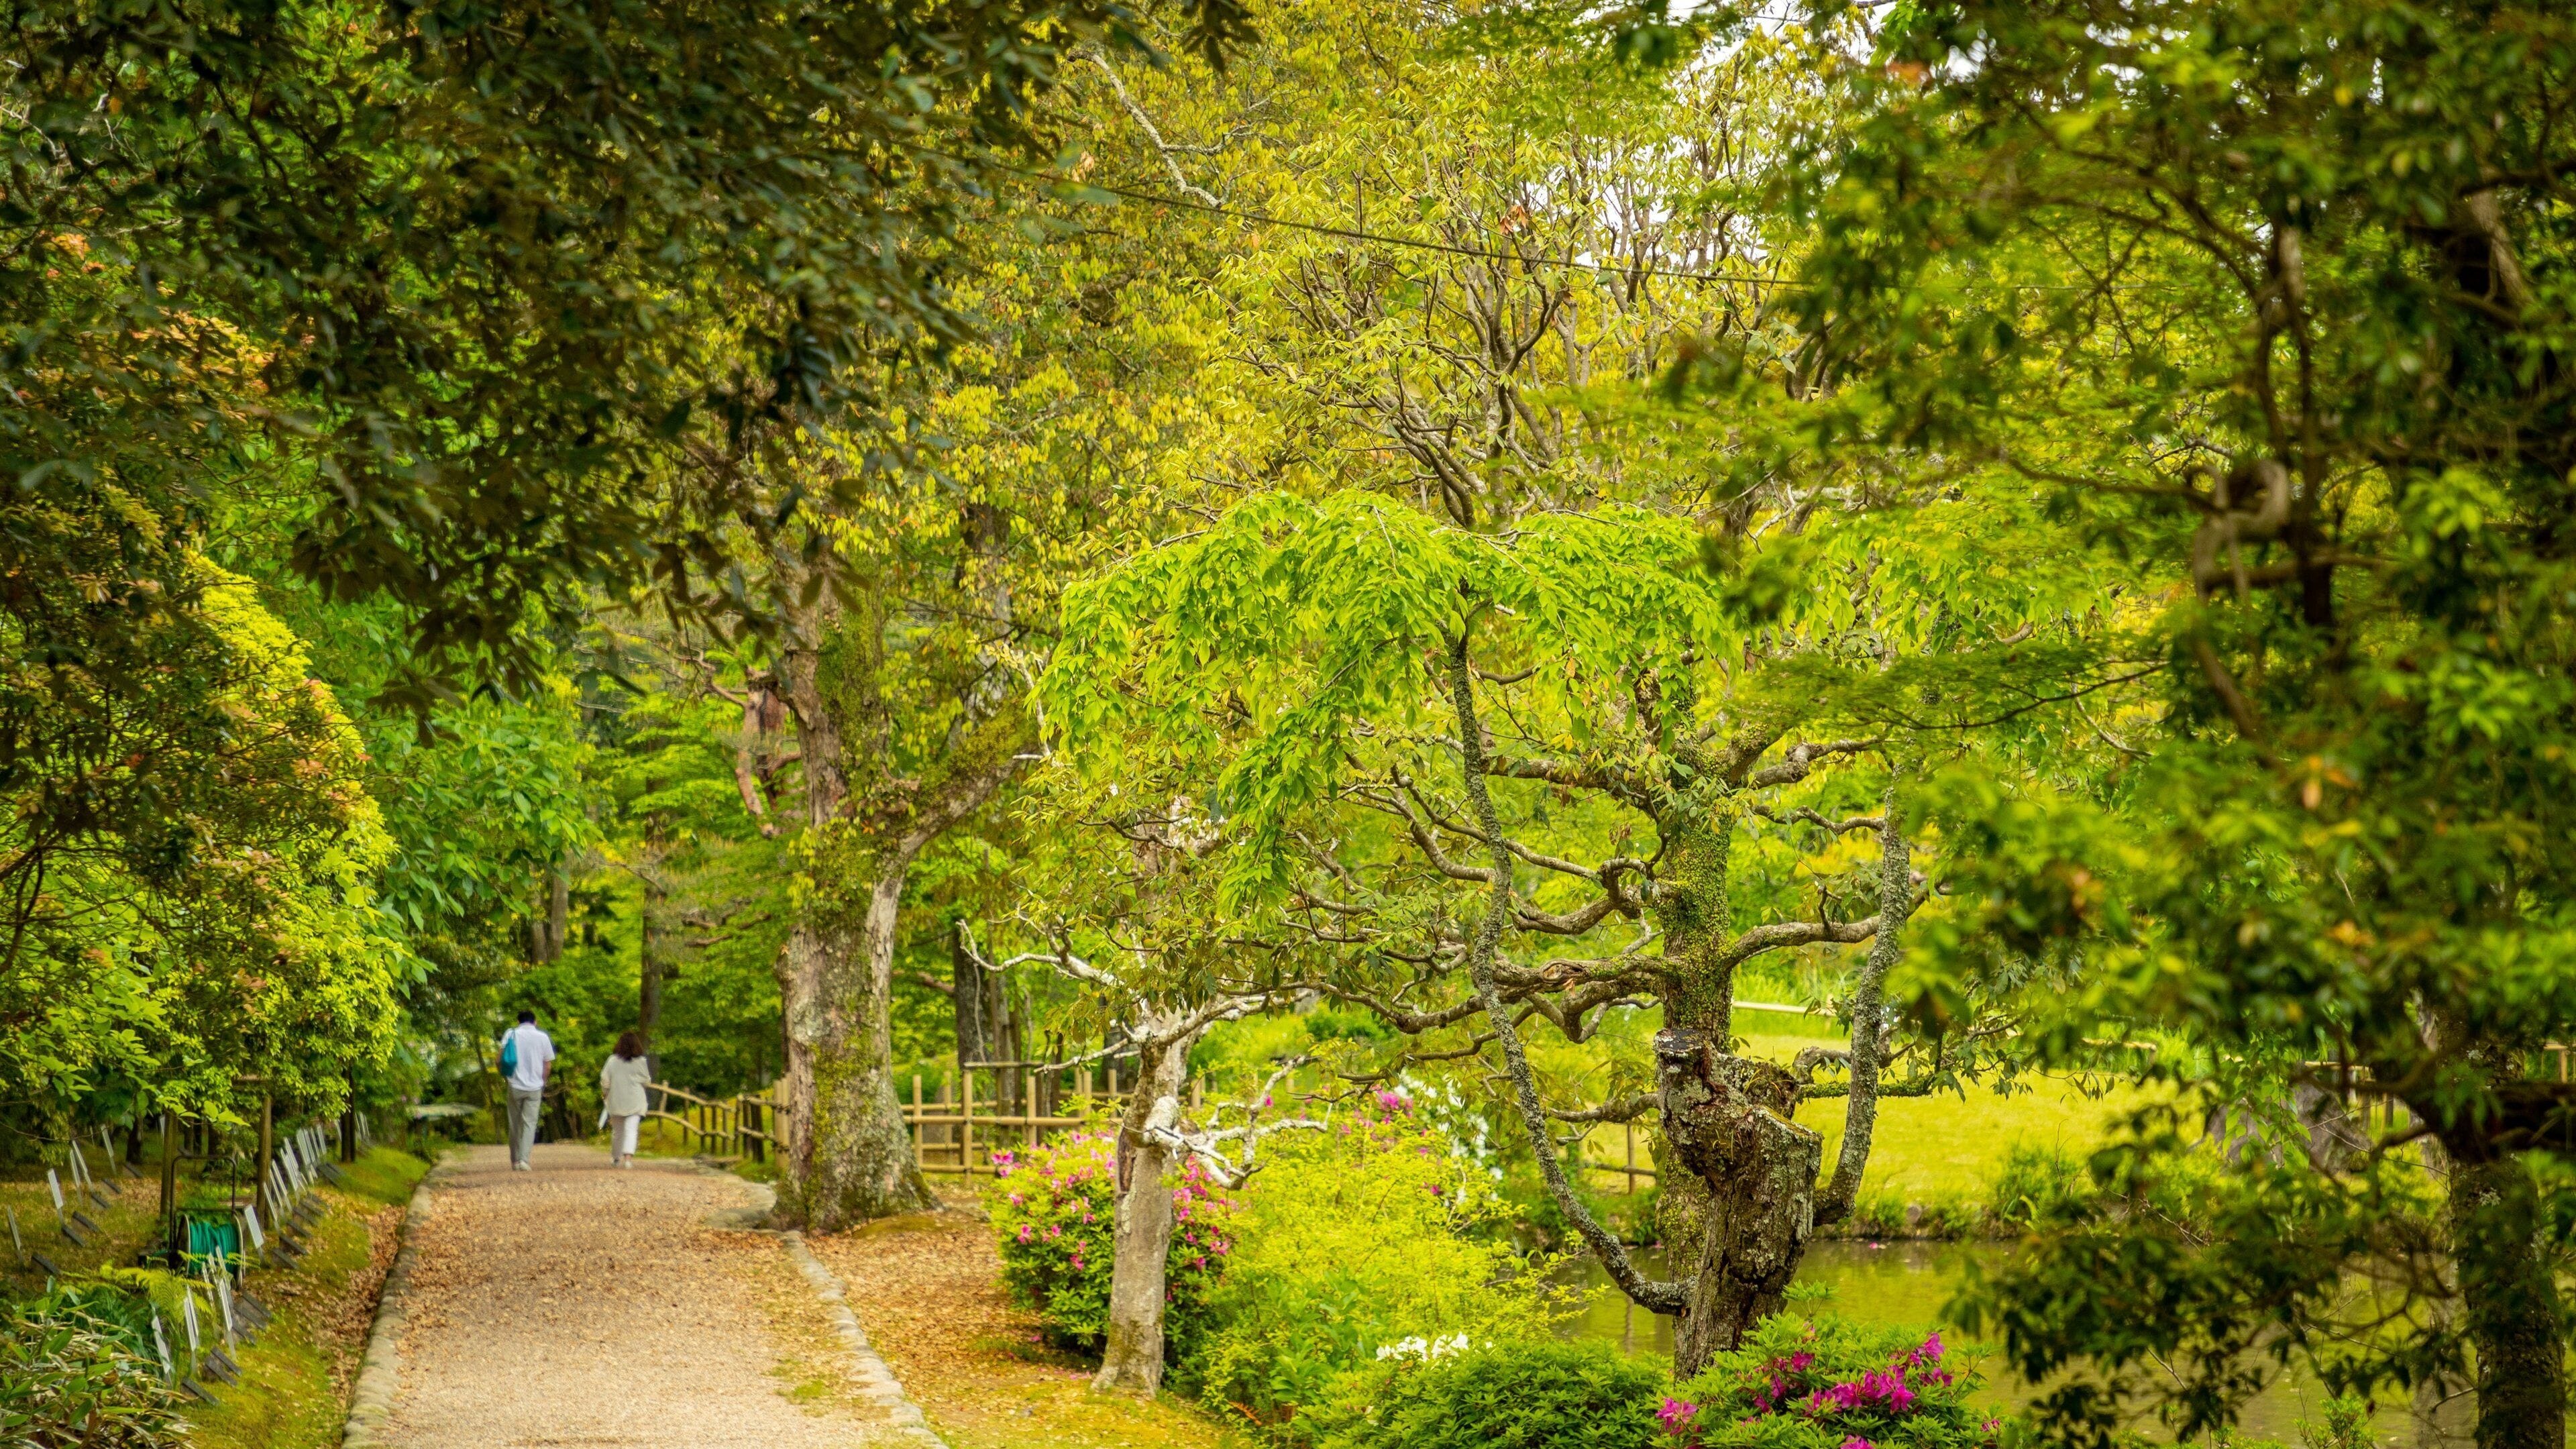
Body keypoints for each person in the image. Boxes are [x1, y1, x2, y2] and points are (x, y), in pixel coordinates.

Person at [500, 1010, 555, 1172]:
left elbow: (499, 1059)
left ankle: (515, 1161)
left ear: (518, 1021)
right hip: (535, 1087)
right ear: (535, 1022)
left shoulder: (511, 1034)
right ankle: (524, 1160)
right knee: (530, 1123)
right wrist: (542, 1082)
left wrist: (505, 1077)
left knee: (514, 1123)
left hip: (514, 1085)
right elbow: (548, 1065)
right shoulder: (543, 1037)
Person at [600, 1032, 652, 1168]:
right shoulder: (641, 1061)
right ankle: (628, 1159)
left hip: (617, 1099)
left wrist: (605, 1094)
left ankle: (616, 1158)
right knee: (631, 1130)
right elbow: (647, 1081)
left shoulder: (612, 1061)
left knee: (617, 1132)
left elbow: (605, 1081)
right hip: (635, 1100)